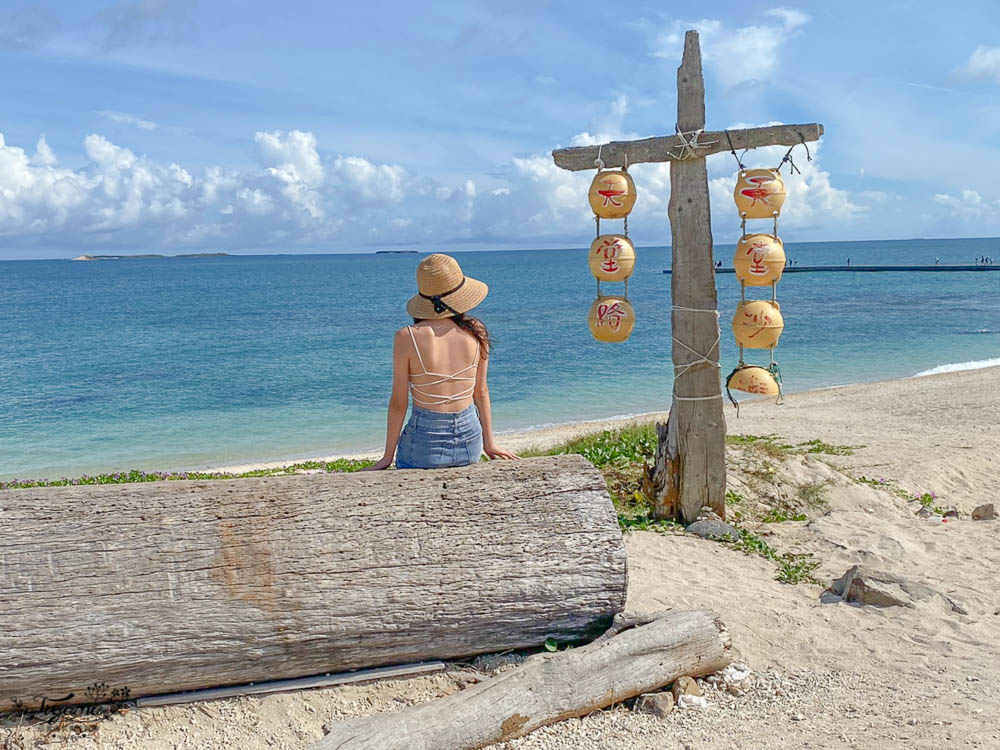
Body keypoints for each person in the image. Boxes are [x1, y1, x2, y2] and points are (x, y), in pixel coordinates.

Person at [364, 253, 518, 471]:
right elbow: (480, 392)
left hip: (423, 446)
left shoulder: (407, 337)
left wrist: (386, 457)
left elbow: (399, 402)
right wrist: (489, 444)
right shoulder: (476, 331)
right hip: (470, 441)